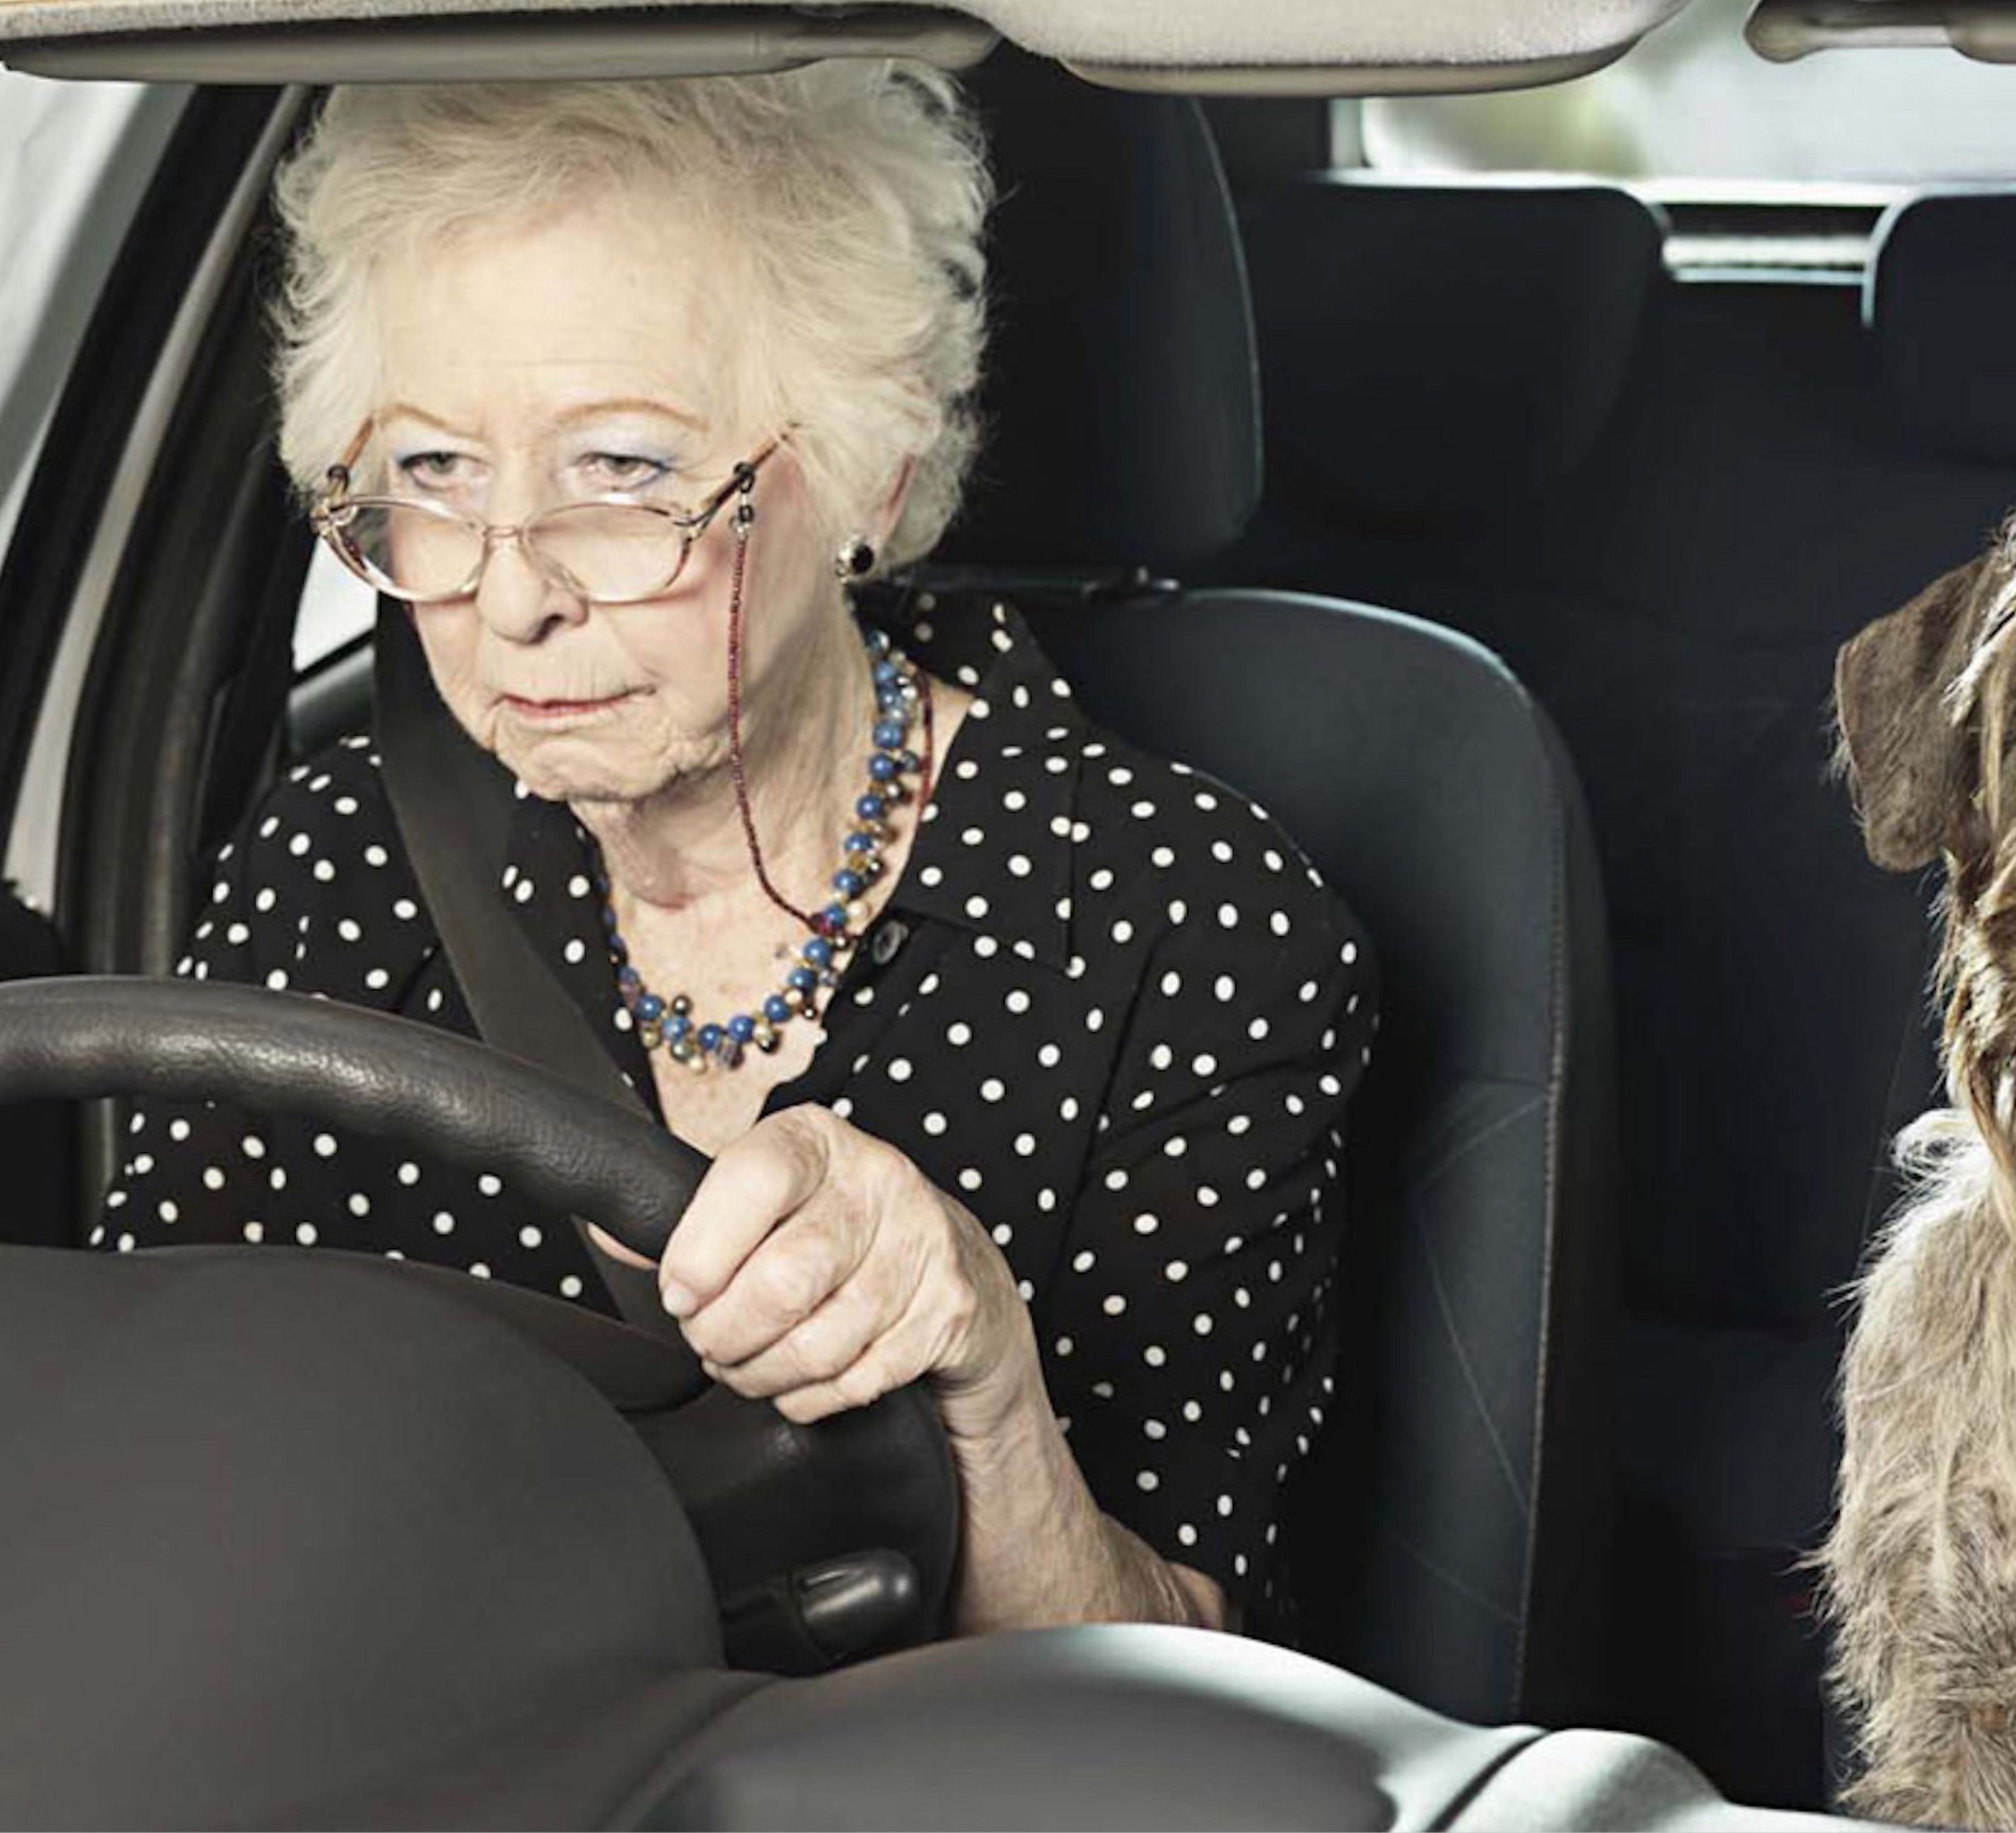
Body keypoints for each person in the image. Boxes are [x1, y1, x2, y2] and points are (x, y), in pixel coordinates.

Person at [95, 63, 1375, 1636]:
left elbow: (1173, 1713)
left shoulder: (1186, 918)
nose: (513, 599)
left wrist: (983, 1380)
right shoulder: (333, 853)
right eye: (433, 473)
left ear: (869, 469)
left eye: (622, 471)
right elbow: (132, 1445)